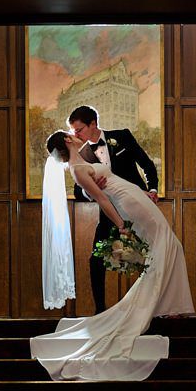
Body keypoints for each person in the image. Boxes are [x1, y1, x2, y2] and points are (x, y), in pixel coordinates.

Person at [30, 130, 194, 382]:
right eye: (70, 133)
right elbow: (101, 198)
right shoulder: (77, 169)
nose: (75, 134)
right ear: (66, 141)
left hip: (135, 195)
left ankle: (168, 305)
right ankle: (161, 305)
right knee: (166, 245)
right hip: (127, 201)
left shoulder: (83, 160)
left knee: (169, 246)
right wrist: (121, 225)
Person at [68, 105, 159, 314]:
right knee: (96, 260)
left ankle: (152, 309)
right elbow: (77, 191)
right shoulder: (80, 154)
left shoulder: (122, 137)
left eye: (79, 129)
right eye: (73, 131)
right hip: (110, 214)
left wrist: (152, 190)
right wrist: (92, 191)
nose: (76, 135)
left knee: (150, 257)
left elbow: (147, 165)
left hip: (137, 208)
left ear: (93, 124)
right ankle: (100, 311)